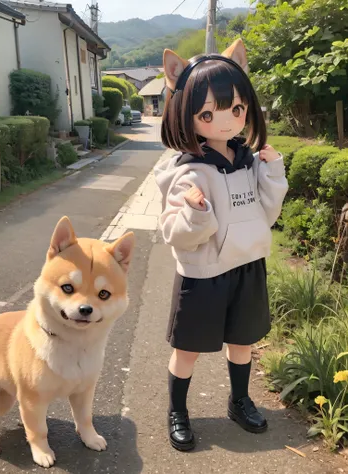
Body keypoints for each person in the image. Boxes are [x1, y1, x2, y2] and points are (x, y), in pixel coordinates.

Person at [154, 39, 288, 452]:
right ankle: (177, 410)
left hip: (247, 266)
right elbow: (174, 232)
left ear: (246, 107)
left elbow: (266, 213)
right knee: (188, 349)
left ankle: (239, 400)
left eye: (236, 110)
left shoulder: (247, 160)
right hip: (203, 275)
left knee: (243, 342)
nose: (226, 122)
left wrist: (271, 171)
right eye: (208, 114)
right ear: (186, 114)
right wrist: (195, 212)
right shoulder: (187, 173)